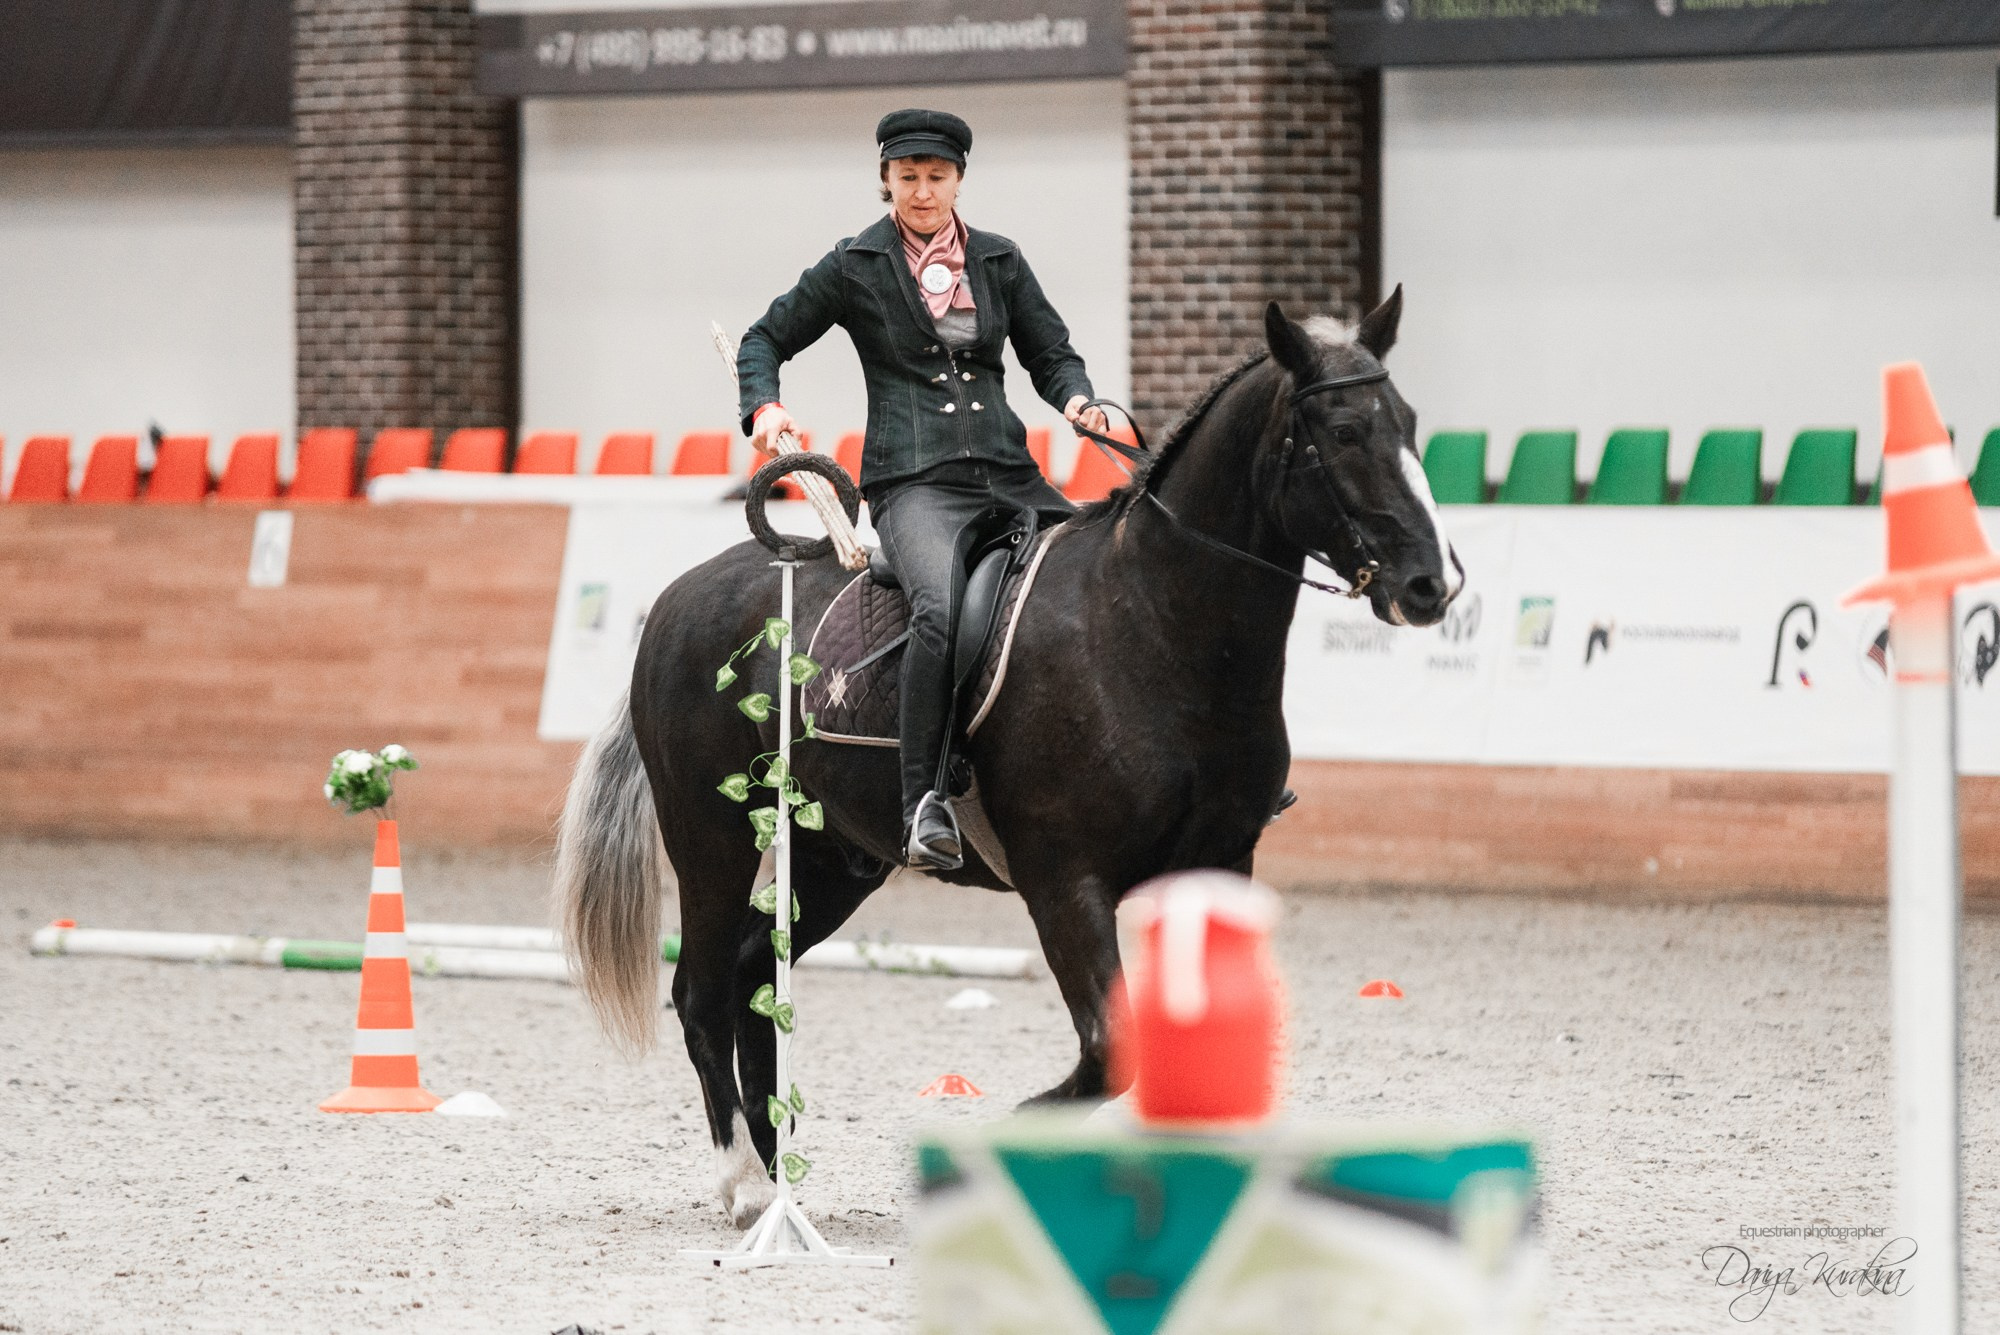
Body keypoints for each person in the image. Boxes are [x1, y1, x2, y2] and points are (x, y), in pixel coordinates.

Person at [738, 108, 1108, 871]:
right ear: (886, 180)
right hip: (914, 483)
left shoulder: (1000, 260)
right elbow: (764, 337)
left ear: (959, 180)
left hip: (1010, 472)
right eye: (907, 177)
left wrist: (1076, 398)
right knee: (937, 609)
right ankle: (924, 802)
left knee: (1104, 577)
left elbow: (1051, 352)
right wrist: (764, 402)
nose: (922, 191)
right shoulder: (855, 263)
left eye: (936, 177)